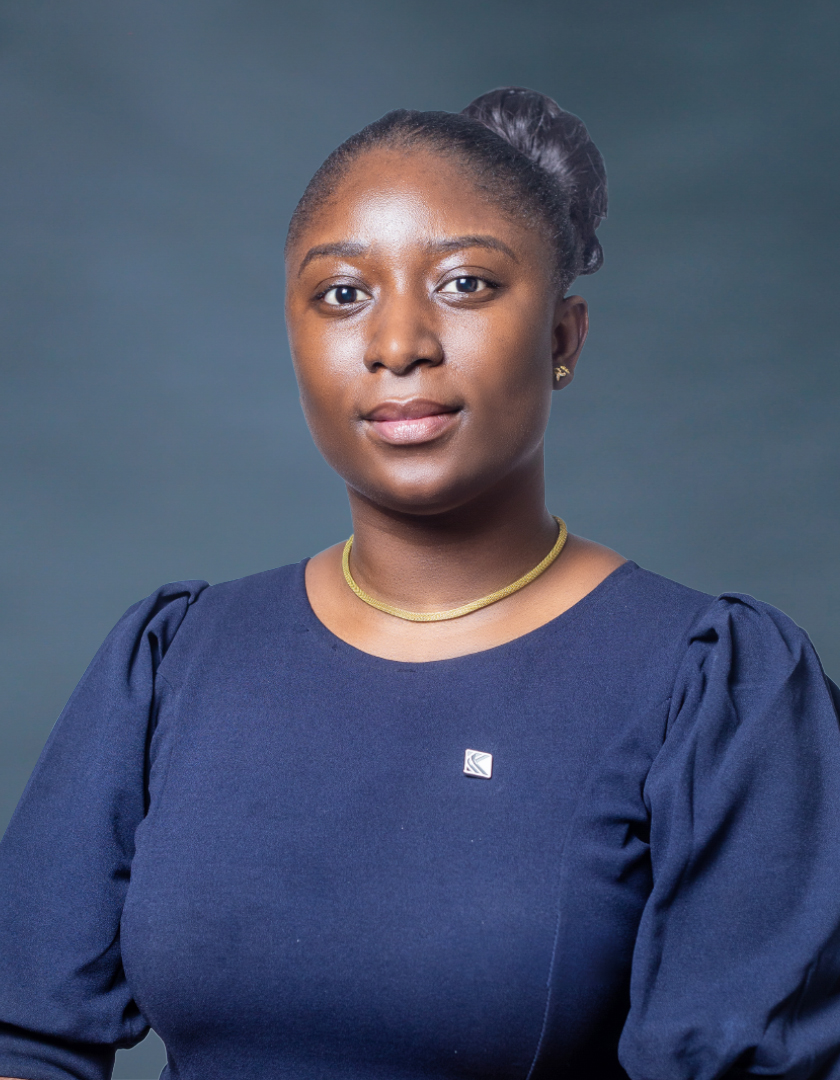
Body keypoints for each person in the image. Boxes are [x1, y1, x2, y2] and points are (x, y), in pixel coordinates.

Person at [1, 86, 839, 1080]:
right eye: (342, 294)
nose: (399, 345)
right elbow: (27, 1039)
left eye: (466, 285)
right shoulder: (174, 660)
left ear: (564, 339)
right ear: (295, 337)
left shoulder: (716, 691)